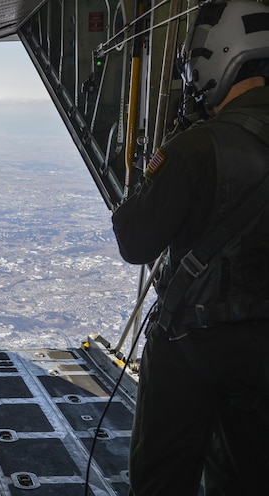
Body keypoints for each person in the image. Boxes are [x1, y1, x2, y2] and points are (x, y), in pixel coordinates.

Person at [111, 2, 269, 495]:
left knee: (163, 480)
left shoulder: (198, 146)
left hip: (193, 346)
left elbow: (134, 239)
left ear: (213, 58)